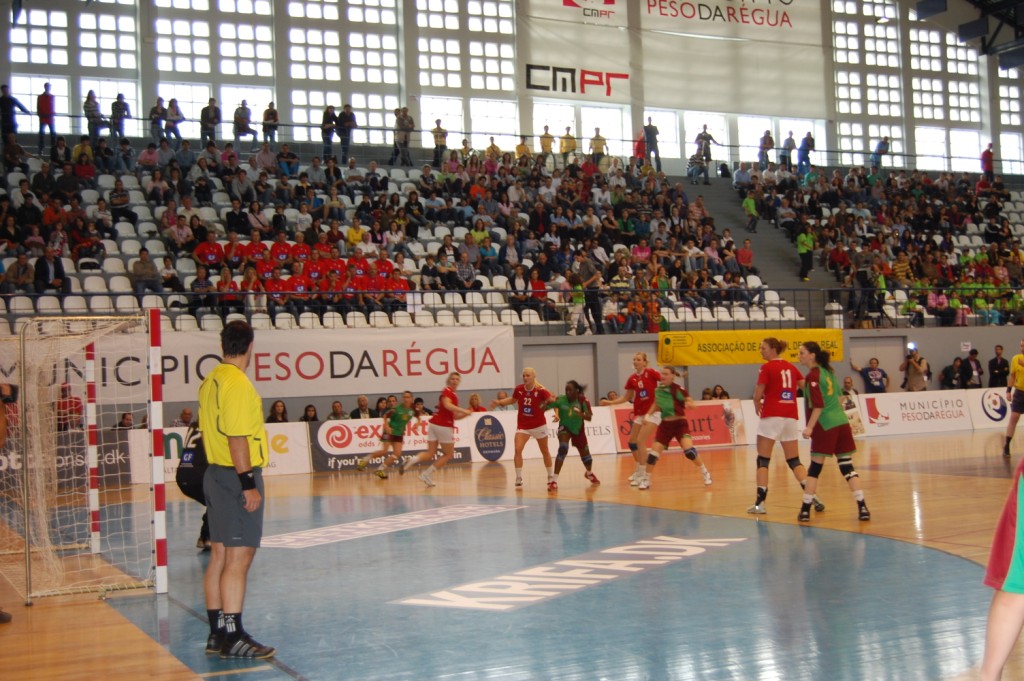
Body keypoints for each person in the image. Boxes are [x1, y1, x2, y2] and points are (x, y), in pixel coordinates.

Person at [197, 321, 275, 659]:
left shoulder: (210, 379)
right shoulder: (238, 383)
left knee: (219, 556)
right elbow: (237, 436)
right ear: (250, 346)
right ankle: (233, 635)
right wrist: (247, 483)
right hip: (235, 475)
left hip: (214, 473)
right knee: (239, 558)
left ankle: (217, 633)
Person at [748, 337, 825, 515]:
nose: (761, 351)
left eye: (763, 348)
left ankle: (760, 504)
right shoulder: (791, 367)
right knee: (794, 460)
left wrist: (756, 402)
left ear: (773, 349)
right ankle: (812, 496)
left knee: (763, 460)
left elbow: (759, 390)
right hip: (790, 416)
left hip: (772, 415)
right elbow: (806, 388)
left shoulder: (766, 367)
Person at [797, 342, 870, 522]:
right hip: (841, 422)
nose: (799, 356)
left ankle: (805, 509)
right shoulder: (828, 372)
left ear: (812, 355)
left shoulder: (813, 376)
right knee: (847, 466)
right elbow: (841, 397)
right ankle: (862, 507)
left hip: (825, 425)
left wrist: (810, 427)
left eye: (802, 353)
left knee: (815, 469)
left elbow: (818, 405)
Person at [637, 366, 712, 491]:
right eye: (662, 374)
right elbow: (656, 404)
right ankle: (646, 479)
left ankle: (705, 472)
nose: (663, 376)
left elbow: (690, 402)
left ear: (672, 376)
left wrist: (690, 404)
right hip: (665, 426)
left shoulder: (678, 389)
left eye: (666, 374)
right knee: (653, 455)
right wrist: (648, 415)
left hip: (679, 424)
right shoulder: (658, 390)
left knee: (689, 452)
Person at [400, 372, 472, 487]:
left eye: (457, 379)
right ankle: (426, 474)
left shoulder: (453, 394)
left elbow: (454, 416)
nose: (454, 381)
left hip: (434, 424)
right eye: (452, 379)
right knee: (448, 454)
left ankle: (411, 460)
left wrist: (466, 414)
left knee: (430, 453)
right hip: (443, 426)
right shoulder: (447, 391)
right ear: (448, 380)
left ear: (459, 381)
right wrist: (463, 410)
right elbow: (447, 405)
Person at [600, 352, 661, 486]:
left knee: (640, 441)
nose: (635, 361)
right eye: (634, 359)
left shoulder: (651, 373)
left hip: (653, 412)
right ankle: (639, 469)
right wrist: (610, 402)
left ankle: (644, 474)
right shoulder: (632, 378)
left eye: (638, 359)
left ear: (645, 362)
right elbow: (626, 397)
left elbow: (664, 382)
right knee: (632, 442)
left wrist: (662, 396)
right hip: (640, 413)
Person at [490, 368, 556, 490]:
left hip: (538, 425)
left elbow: (553, 401)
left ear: (534, 377)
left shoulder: (541, 390)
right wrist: (499, 402)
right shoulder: (519, 389)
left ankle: (550, 476)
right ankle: (519, 477)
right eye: (524, 376)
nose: (525, 378)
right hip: (523, 426)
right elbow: (512, 400)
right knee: (517, 449)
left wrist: (557, 413)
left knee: (545, 451)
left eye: (528, 376)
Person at [545, 380, 600, 487]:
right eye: (566, 390)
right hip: (564, 427)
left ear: (577, 391)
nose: (567, 392)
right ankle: (554, 481)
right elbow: (543, 408)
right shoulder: (560, 399)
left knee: (587, 459)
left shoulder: (583, 400)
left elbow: (589, 417)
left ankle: (589, 473)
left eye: (570, 390)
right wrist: (546, 401)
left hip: (578, 430)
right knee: (563, 448)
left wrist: (580, 414)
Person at [356, 390, 418, 478]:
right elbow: (385, 416)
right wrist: (387, 426)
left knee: (397, 454)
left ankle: (380, 469)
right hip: (389, 431)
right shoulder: (396, 408)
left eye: (408, 397)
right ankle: (364, 460)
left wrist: (418, 423)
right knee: (384, 451)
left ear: (412, 398)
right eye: (404, 397)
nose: (406, 399)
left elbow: (418, 416)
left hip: (399, 433)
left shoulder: (413, 409)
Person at [175, 424, 211, 550]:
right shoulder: (210, 424)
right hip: (197, 476)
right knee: (223, 500)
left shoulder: (195, 425)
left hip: (182, 474)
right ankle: (207, 537)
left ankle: (205, 537)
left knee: (215, 502)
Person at [1002, 339, 1024, 457]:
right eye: (1021, 346)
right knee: (1014, 417)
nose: (1022, 348)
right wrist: (1008, 390)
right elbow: (1012, 376)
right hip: (1020, 391)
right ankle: (1007, 444)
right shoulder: (1016, 359)